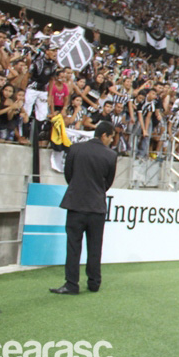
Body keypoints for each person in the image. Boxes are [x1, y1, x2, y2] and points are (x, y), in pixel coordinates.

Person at [49, 121, 118, 295]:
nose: (111, 140)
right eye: (111, 137)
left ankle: (72, 284)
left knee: (73, 246)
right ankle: (94, 283)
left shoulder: (75, 149)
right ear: (104, 135)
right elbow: (107, 183)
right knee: (95, 246)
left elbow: (69, 175)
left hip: (76, 205)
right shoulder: (111, 155)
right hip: (97, 207)